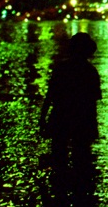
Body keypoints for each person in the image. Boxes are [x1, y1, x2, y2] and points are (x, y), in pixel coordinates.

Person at [40, 31, 102, 174]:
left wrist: (43, 119)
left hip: (60, 118)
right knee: (81, 160)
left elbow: (50, 96)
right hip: (82, 120)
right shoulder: (90, 71)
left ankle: (60, 184)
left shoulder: (61, 69)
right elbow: (92, 102)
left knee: (59, 158)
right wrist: (92, 126)